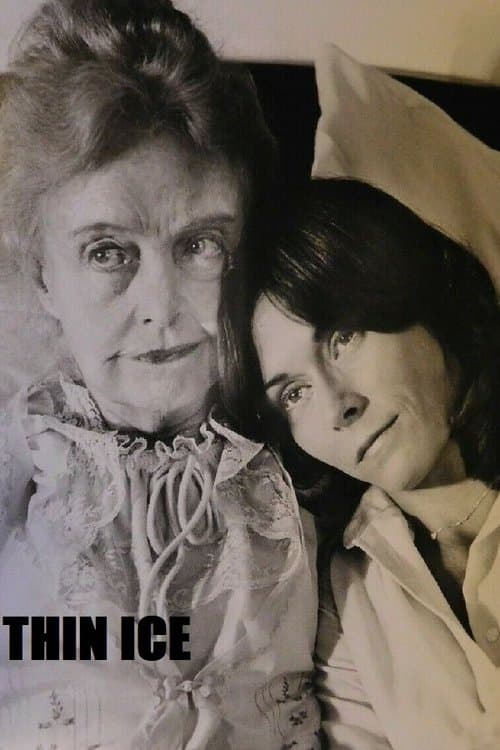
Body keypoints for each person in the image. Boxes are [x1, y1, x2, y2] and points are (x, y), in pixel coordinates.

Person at [0, 2, 322, 748]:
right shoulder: (22, 455)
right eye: (108, 252)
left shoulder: (308, 437)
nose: (162, 309)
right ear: (43, 276)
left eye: (200, 244)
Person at [227, 178, 500, 749]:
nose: (337, 406)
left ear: (415, 292)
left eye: (343, 338)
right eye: (294, 393)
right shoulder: (344, 592)